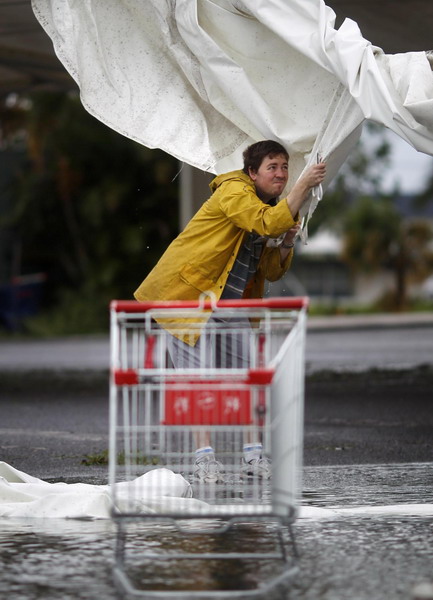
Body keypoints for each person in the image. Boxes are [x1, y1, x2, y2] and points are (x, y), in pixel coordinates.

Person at [134, 140, 326, 483]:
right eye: (272, 167)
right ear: (251, 173)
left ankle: (253, 456)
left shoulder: (270, 206)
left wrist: (286, 242)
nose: (281, 174)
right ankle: (204, 460)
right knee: (198, 381)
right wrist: (303, 186)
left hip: (231, 304)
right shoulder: (234, 191)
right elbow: (264, 223)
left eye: (284, 168)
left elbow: (271, 271)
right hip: (188, 297)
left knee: (247, 379)